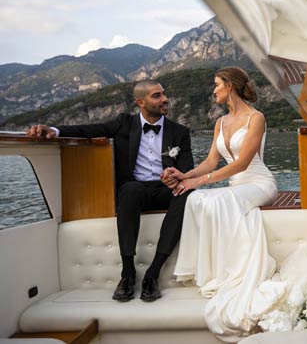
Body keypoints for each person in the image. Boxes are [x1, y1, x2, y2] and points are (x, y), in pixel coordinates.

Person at [25, 80, 194, 302]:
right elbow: (88, 130)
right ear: (140, 102)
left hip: (166, 189)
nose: (164, 99)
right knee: (129, 190)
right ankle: (127, 273)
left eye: (164, 94)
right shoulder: (124, 123)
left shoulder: (179, 131)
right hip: (137, 191)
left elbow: (187, 168)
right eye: (156, 96)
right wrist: (54, 130)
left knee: (187, 194)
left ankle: (153, 272)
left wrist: (175, 176)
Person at [162, 67, 277, 341]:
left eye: (216, 85)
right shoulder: (221, 122)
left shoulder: (256, 118)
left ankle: (232, 272)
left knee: (216, 199)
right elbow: (212, 162)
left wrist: (201, 181)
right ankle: (204, 270)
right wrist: (185, 176)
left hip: (260, 184)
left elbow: (242, 163)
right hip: (237, 188)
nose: (213, 90)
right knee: (195, 200)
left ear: (230, 86)